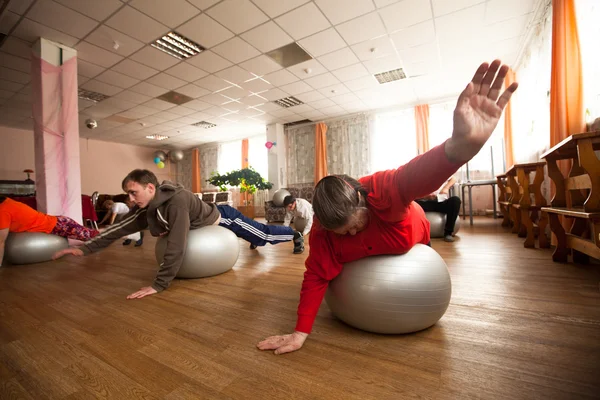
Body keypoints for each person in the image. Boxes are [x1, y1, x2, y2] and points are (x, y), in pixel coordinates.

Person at [257, 60, 518, 355]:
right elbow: (315, 276)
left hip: (416, 233)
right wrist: (300, 331)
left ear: (362, 200)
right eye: (344, 233)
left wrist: (460, 146)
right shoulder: (324, 233)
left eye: (355, 224)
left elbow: (417, 173)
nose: (352, 233)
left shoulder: (382, 191)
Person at [52, 172, 304, 299]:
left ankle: (294, 234)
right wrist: (85, 248)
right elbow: (118, 229)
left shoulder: (176, 203)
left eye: (133, 192)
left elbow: (177, 244)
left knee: (264, 236)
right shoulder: (145, 208)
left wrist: (158, 285)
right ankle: (267, 240)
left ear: (150, 188)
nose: (129, 199)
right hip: (207, 229)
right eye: (127, 194)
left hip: (224, 217)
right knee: (258, 240)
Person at [0, 195, 99, 266]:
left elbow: (1, 241)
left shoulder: (3, 210)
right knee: (91, 236)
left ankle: (112, 233)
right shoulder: (6, 202)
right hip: (57, 222)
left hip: (59, 225)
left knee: (93, 236)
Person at [415, 176, 461, 242]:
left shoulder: (442, 169)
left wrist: (446, 187)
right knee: (411, 203)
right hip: (424, 202)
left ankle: (448, 233)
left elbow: (453, 178)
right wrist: (424, 196)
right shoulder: (418, 172)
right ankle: (417, 234)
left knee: (455, 200)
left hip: (440, 202)